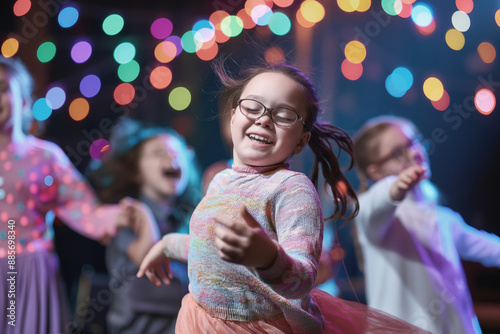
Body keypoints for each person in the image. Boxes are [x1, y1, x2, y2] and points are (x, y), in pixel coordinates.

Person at [137, 62, 430, 334]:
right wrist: (167, 245)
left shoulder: (292, 189)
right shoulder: (220, 180)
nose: (264, 119)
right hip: (198, 321)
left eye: (284, 114)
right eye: (252, 107)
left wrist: (268, 258)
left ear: (301, 140)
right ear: (233, 116)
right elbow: (213, 248)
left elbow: (302, 279)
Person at [0, 57, 124, 333]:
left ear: (22, 101)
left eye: (2, 88)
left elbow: (84, 208)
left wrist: (124, 216)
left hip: (30, 272)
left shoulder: (45, 157)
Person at [352, 115, 500, 334]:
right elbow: (374, 206)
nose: (414, 153)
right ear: (375, 171)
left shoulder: (444, 219)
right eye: (397, 153)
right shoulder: (378, 218)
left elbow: (490, 248)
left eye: (414, 142)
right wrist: (394, 187)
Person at [88, 117, 202, 334]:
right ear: (136, 172)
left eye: (179, 152)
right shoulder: (126, 217)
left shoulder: (192, 222)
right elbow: (148, 275)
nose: (172, 157)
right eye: (158, 152)